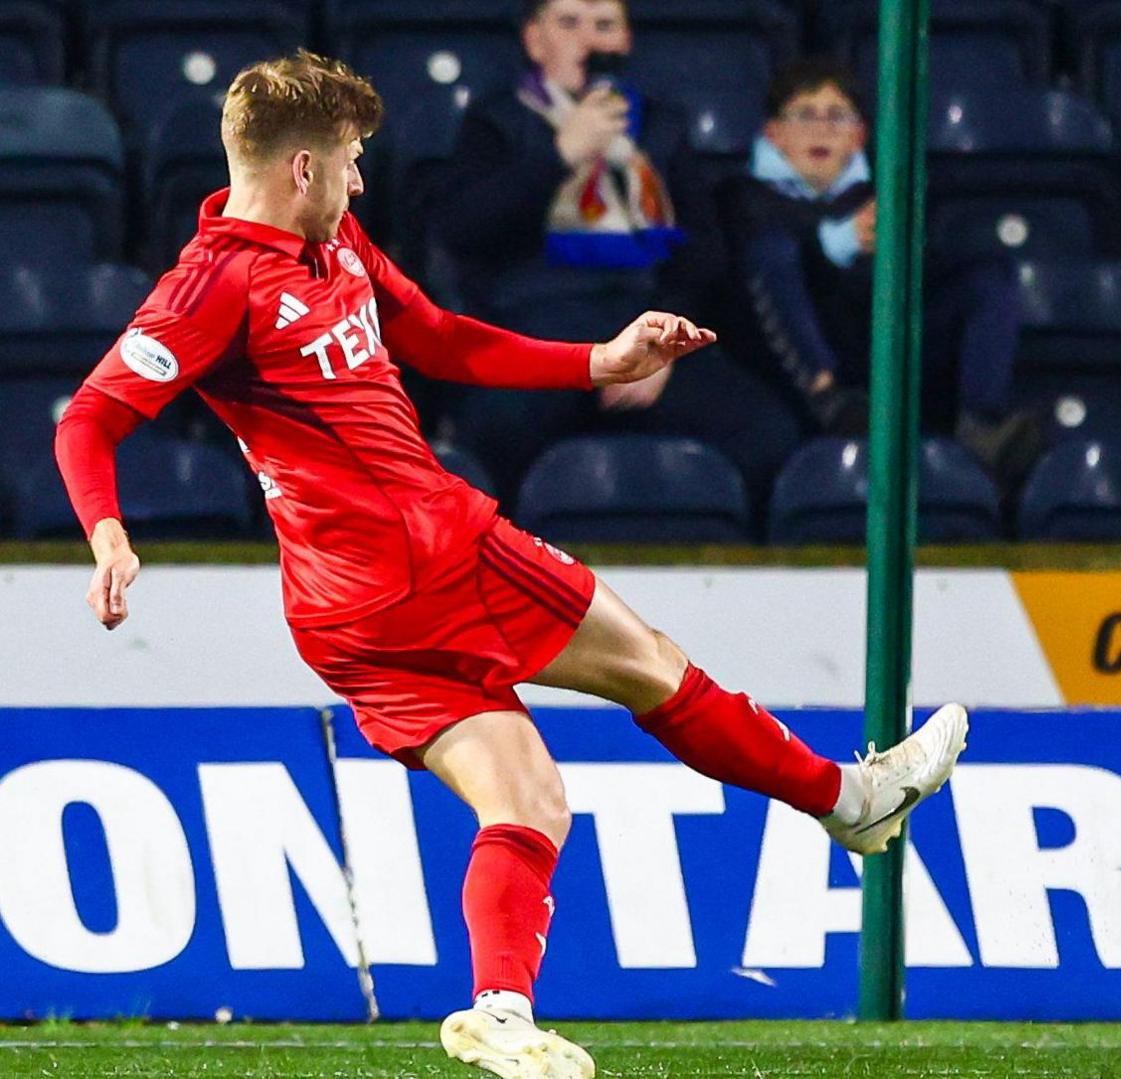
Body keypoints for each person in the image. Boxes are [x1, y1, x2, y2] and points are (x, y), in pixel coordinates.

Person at [52, 51, 967, 1079]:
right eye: (351, 162)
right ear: (302, 168)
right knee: (651, 665)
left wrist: (596, 362)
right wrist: (108, 529)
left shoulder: (335, 241)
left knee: (527, 800)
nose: (361, 182)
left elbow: (436, 336)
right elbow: (89, 418)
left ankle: (498, 1013)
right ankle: (845, 798)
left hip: (342, 609)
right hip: (429, 550)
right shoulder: (213, 282)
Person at [431, 0, 801, 502]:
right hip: (537, 334)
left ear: (625, 40)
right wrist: (560, 154)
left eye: (604, 25)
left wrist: (665, 343)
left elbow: (703, 254)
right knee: (487, 441)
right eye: (569, 23)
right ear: (535, 40)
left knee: (769, 435)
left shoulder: (660, 128)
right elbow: (464, 232)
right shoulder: (497, 122)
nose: (589, 40)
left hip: (643, 323)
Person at [719, 57, 1043, 480]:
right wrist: (840, 243)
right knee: (774, 254)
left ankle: (980, 426)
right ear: (774, 135)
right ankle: (829, 400)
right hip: (784, 375)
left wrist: (904, 249)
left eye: (837, 117)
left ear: (858, 137)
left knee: (987, 277)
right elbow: (760, 278)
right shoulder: (740, 196)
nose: (821, 130)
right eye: (804, 115)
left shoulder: (880, 199)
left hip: (874, 355)